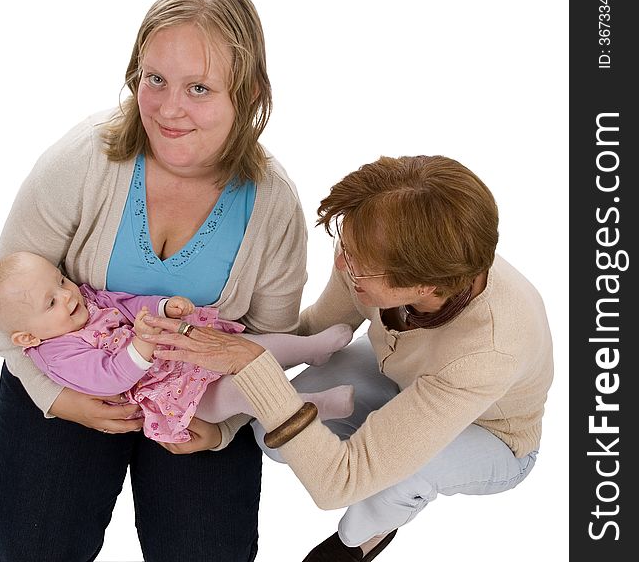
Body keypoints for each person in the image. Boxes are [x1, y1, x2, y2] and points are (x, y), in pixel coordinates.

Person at [0, 0, 308, 562]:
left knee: (207, 553)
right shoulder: (83, 160)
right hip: (74, 376)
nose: (168, 108)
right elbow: (9, 302)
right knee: (31, 547)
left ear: (250, 93)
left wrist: (225, 429)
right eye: (154, 79)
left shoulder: (273, 205)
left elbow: (265, 344)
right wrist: (55, 397)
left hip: (196, 394)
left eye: (199, 87)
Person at [140, 155, 555, 562]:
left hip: (492, 433)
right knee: (277, 441)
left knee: (397, 478)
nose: (342, 263)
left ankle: (361, 540)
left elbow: (337, 485)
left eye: (357, 264)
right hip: (398, 378)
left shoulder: (489, 350)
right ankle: (382, 454)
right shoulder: (372, 249)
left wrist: (251, 367)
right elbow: (313, 331)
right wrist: (224, 420)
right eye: (346, 243)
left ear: (425, 286)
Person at [0, 251, 354, 443]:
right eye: (51, 302)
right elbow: (107, 378)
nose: (66, 294)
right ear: (27, 337)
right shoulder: (55, 354)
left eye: (60, 281)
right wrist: (140, 345)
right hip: (171, 394)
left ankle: (309, 349)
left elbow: (124, 302)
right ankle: (319, 405)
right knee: (243, 393)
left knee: (250, 349)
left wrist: (160, 308)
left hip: (180, 350)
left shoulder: (84, 300)